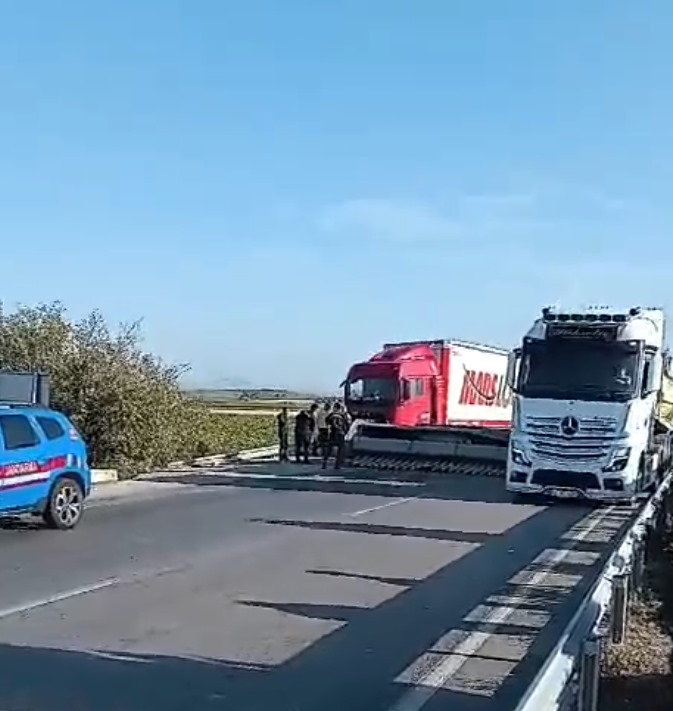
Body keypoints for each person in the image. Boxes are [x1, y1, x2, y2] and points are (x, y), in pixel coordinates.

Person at [322, 401, 349, 470]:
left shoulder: (331, 415)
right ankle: (337, 465)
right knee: (340, 450)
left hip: (333, 433)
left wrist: (330, 427)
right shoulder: (342, 415)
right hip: (340, 434)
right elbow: (347, 424)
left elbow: (327, 421)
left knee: (329, 449)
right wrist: (345, 431)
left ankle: (324, 463)